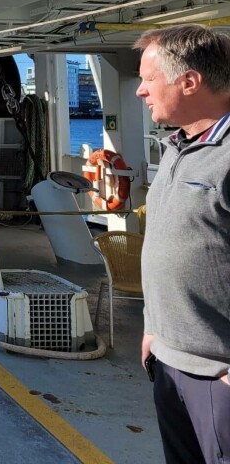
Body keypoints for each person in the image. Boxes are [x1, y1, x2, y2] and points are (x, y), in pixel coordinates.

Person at [134, 24, 230, 464]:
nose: (139, 91)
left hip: (219, 374)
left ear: (189, 81)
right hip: (170, 360)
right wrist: (154, 327)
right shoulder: (177, 146)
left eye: (148, 79)